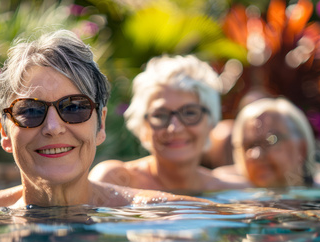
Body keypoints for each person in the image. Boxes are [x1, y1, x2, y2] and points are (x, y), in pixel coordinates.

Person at [0, 30, 210, 211]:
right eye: (31, 110)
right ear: (4, 131)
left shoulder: (161, 212)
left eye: (74, 108)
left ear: (101, 125)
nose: (54, 127)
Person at [89, 55, 248, 194]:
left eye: (190, 113)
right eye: (160, 115)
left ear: (211, 122)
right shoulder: (115, 180)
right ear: (142, 126)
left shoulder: (230, 190)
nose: (175, 127)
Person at [213, 97, 320, 188]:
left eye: (271, 140)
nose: (255, 155)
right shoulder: (221, 190)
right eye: (248, 146)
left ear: (301, 148)